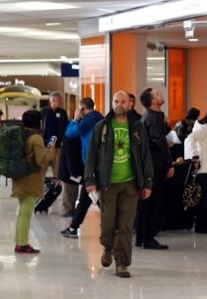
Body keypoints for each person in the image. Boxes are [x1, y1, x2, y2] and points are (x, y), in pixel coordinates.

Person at [85, 91, 154, 279]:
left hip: (131, 184)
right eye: (116, 101)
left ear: (130, 104)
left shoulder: (137, 127)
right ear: (112, 102)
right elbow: (91, 155)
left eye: (123, 101)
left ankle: (122, 263)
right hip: (108, 184)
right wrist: (89, 180)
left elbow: (146, 156)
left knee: (125, 226)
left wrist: (148, 181)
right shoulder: (102, 127)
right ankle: (108, 247)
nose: (119, 104)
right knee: (108, 226)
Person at [60, 98, 105, 238]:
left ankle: (74, 227)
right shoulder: (100, 117)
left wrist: (74, 119)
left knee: (88, 196)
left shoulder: (88, 120)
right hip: (100, 162)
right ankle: (74, 226)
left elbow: (70, 133)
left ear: (83, 108)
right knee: (89, 196)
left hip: (90, 163)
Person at [12, 110, 55, 254]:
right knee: (26, 212)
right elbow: (41, 159)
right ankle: (22, 244)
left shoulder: (19, 134)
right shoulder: (36, 138)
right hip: (31, 178)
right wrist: (50, 151)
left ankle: (19, 241)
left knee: (21, 210)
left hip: (18, 176)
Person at [136, 88, 173, 249]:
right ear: (153, 101)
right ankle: (148, 238)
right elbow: (159, 141)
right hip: (156, 165)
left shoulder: (148, 117)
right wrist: (169, 163)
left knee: (146, 202)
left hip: (149, 165)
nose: (161, 94)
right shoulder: (154, 116)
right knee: (153, 202)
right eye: (157, 94)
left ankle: (142, 237)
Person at [186, 109, 207, 234]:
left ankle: (201, 225)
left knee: (205, 198)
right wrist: (195, 155)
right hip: (205, 170)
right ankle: (201, 226)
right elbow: (189, 139)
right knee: (205, 198)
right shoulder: (205, 129)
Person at [41, 91, 69, 180]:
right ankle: (41, 186)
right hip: (46, 143)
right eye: (59, 100)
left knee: (57, 168)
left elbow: (66, 126)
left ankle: (56, 187)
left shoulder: (62, 112)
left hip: (58, 144)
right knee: (43, 166)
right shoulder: (44, 112)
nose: (61, 102)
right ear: (52, 100)